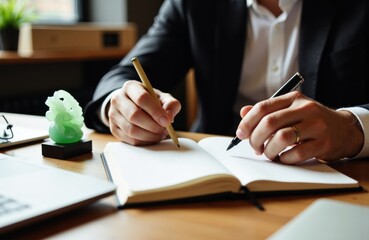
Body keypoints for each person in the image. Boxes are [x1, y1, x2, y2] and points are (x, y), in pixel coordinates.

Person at [84, 0, 369, 164]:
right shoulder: (192, 5)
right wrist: (118, 106)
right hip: (217, 172)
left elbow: (353, 127)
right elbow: (120, 77)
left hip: (337, 175)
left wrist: (352, 128)